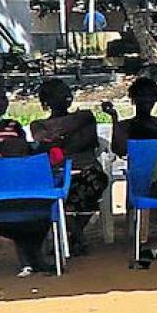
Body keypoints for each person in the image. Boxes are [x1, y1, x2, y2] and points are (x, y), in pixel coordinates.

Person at [0, 79, 55, 274]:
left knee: (40, 209)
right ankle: (31, 259)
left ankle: (32, 258)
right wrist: (5, 150)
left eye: (4, 98)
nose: (2, 103)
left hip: (24, 186)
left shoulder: (14, 126)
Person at [29, 79, 107, 255]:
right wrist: (69, 131)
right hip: (56, 173)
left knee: (95, 181)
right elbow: (44, 143)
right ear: (46, 101)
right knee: (63, 191)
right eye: (59, 92)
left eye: (66, 91)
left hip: (86, 169)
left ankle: (71, 235)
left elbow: (83, 143)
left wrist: (57, 139)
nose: (66, 96)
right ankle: (76, 236)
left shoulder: (85, 116)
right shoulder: (38, 124)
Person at [101, 75, 157, 156]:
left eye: (150, 96)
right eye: (141, 95)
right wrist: (114, 118)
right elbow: (120, 150)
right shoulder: (126, 126)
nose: (146, 100)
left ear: (155, 98)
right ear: (133, 99)